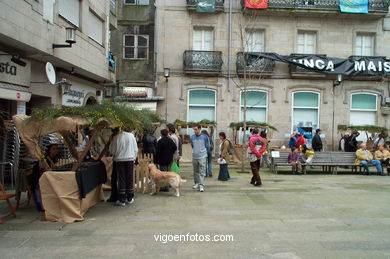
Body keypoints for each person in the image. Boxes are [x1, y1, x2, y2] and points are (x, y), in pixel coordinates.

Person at [109, 127, 138, 206]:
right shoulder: (131, 136)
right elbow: (135, 149)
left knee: (121, 178)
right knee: (129, 178)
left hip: (120, 160)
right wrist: (134, 158)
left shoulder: (116, 137)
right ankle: (130, 197)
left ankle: (122, 199)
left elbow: (112, 150)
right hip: (130, 159)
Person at [30, 144, 60, 211]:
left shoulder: (54, 159)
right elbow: (42, 171)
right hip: (37, 178)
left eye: (57, 149)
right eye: (54, 149)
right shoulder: (45, 159)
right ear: (49, 151)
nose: (56, 150)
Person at [190, 125, 210, 192]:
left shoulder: (205, 137)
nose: (195, 131)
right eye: (194, 129)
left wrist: (204, 153)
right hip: (195, 156)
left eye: (196, 129)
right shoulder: (192, 137)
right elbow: (192, 145)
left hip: (202, 156)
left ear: (199, 129)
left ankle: (201, 185)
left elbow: (208, 146)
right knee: (195, 171)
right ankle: (196, 183)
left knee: (202, 171)